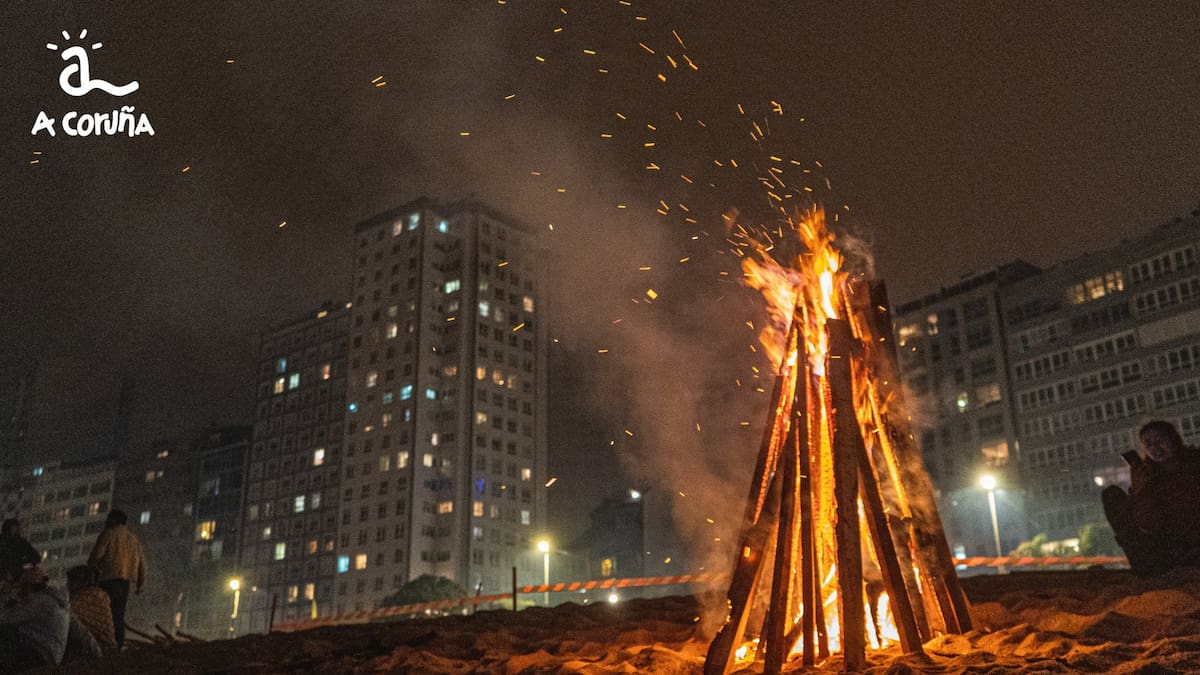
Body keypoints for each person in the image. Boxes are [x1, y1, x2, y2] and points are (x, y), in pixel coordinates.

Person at [1102, 420, 1200, 576]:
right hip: (1169, 550)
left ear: (1173, 439)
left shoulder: (1194, 464)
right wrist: (1140, 491)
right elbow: (1149, 525)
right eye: (1148, 444)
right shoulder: (1148, 479)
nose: (1155, 447)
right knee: (1112, 496)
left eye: (1159, 440)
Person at [87, 509, 145, 649]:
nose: (106, 522)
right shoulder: (133, 540)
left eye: (108, 519)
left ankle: (103, 645)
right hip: (125, 584)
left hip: (107, 581)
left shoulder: (108, 534)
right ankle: (117, 645)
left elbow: (96, 556)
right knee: (118, 615)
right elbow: (142, 565)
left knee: (103, 615)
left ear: (114, 520)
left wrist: (90, 570)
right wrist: (140, 584)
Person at [0, 565, 71, 670]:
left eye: (21, 586)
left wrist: (4, 593)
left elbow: (4, 617)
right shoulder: (53, 598)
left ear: (29, 586)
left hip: (41, 654)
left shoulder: (38, 603)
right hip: (50, 652)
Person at [66, 565, 116, 654]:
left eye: (70, 582)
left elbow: (69, 619)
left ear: (78, 582)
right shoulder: (102, 596)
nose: (67, 585)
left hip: (92, 647)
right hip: (108, 646)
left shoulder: (78, 599)